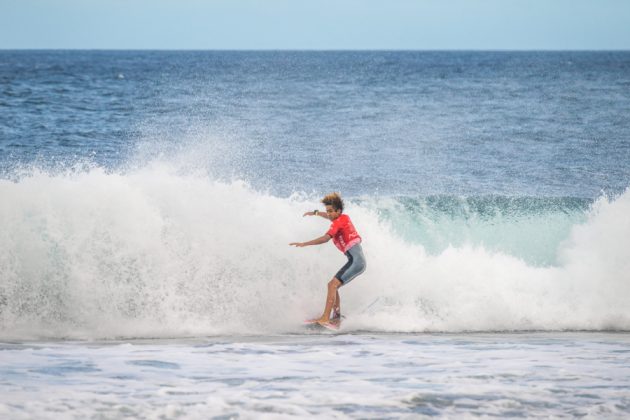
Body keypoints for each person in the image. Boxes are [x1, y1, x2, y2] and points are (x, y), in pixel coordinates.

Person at [289, 192, 366, 328]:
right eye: (327, 211)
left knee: (332, 285)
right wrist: (316, 213)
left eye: (331, 211)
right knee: (333, 286)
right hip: (355, 261)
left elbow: (325, 238)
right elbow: (329, 216)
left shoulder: (339, 221)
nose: (329, 214)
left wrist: (304, 243)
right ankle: (336, 318)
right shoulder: (342, 218)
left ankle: (325, 318)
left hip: (356, 262)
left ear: (338, 211)